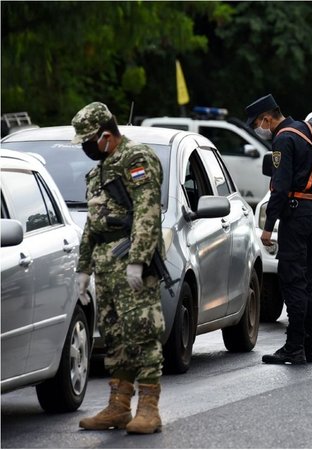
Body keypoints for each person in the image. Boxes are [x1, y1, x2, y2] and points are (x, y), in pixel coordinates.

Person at [73, 102, 165, 434]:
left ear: (106, 136)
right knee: (114, 337)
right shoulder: (100, 170)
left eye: (88, 140)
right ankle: (118, 405)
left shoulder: (135, 159)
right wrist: (83, 267)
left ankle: (149, 409)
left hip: (130, 262)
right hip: (105, 266)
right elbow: (92, 222)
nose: (85, 148)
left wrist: (138, 260)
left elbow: (147, 211)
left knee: (142, 332)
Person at [246, 94, 312, 364]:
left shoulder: (283, 139)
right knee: (309, 282)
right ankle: (311, 347)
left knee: (292, 281)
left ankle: (294, 347)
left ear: (267, 118)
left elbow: (280, 186)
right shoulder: (311, 129)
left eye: (257, 123)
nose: (258, 128)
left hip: (296, 214)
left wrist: (268, 227)